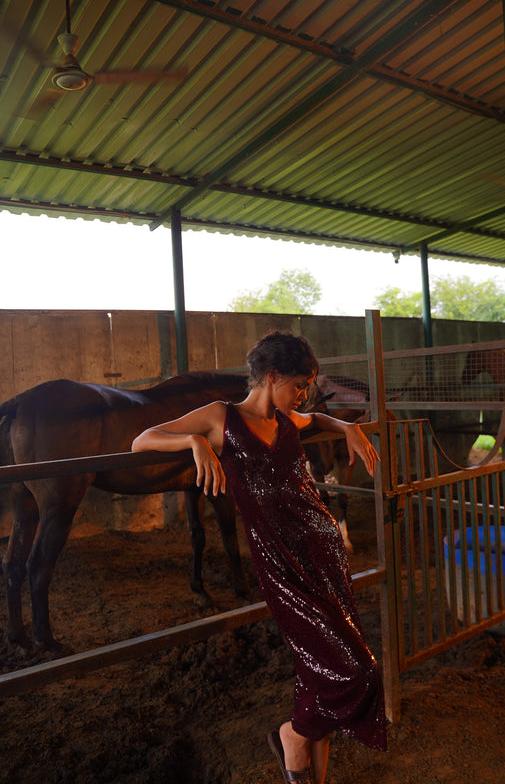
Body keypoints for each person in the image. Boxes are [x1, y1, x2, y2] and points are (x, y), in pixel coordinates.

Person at [131, 330, 387, 784]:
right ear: (272, 376)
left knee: (318, 667)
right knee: (358, 670)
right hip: (282, 565)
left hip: (325, 555)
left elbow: (318, 421)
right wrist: (193, 443)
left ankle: (307, 770)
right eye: (299, 385)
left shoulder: (290, 420)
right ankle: (292, 734)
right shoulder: (219, 417)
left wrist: (347, 425)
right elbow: (143, 439)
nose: (304, 395)